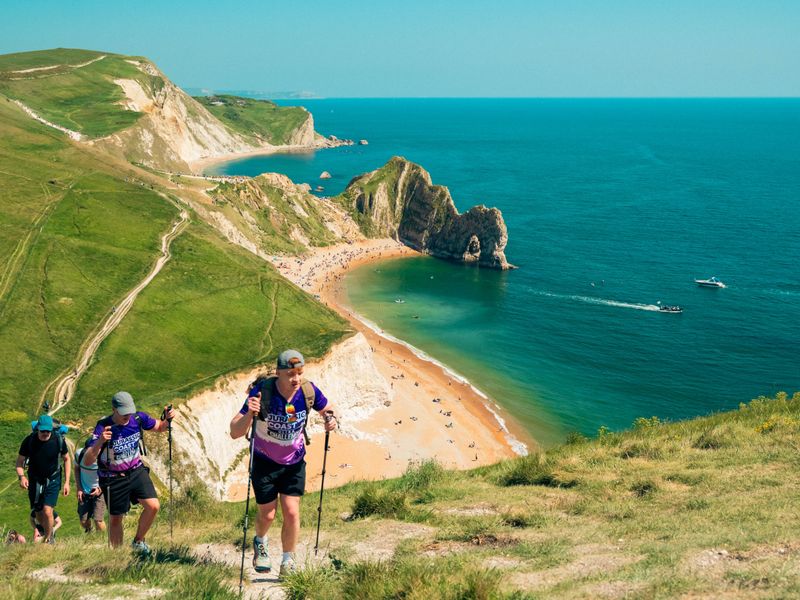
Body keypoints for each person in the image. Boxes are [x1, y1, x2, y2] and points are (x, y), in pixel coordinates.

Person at [230, 349, 337, 577]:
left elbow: (327, 409)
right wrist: (250, 414)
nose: (296, 378)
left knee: (291, 511)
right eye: (290, 374)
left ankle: (288, 560)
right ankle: (260, 542)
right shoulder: (263, 392)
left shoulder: (308, 390)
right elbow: (235, 431)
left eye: (299, 372)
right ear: (278, 373)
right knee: (267, 514)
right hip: (264, 461)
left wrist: (331, 419)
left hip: (294, 461)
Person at [82, 391, 175, 554]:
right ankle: (117, 555)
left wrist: (167, 419)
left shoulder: (138, 419)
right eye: (123, 412)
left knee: (153, 506)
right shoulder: (103, 426)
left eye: (129, 411)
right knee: (116, 518)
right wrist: (100, 441)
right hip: (113, 478)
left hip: (136, 470)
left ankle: (138, 541)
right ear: (114, 409)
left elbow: (160, 427)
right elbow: (88, 460)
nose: (127, 416)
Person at [15, 415, 71, 544]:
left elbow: (67, 459)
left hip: (53, 478)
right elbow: (19, 462)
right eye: (43, 431)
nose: (45, 434)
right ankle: (47, 532)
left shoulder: (58, 440)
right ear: (38, 429)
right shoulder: (29, 441)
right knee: (38, 512)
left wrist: (67, 482)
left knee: (47, 509)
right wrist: (22, 477)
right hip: (35, 479)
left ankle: (48, 539)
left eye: (48, 431)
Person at [74, 438, 107, 534]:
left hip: (100, 491)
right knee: (83, 520)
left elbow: (110, 475)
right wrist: (79, 488)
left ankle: (101, 539)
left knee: (98, 520)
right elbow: (76, 469)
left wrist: (100, 489)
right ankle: (89, 532)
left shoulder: (104, 458)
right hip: (84, 491)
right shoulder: (79, 455)